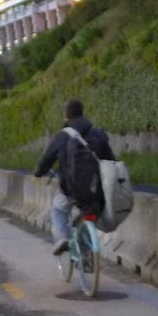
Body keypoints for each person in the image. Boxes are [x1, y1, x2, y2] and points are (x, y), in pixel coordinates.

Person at [32, 98, 114, 255]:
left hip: (70, 188)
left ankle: (62, 238)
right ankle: (87, 255)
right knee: (89, 213)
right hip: (96, 189)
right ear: (82, 114)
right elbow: (111, 161)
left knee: (58, 210)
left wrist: (38, 172)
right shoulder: (98, 134)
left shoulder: (62, 136)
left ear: (66, 116)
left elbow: (46, 160)